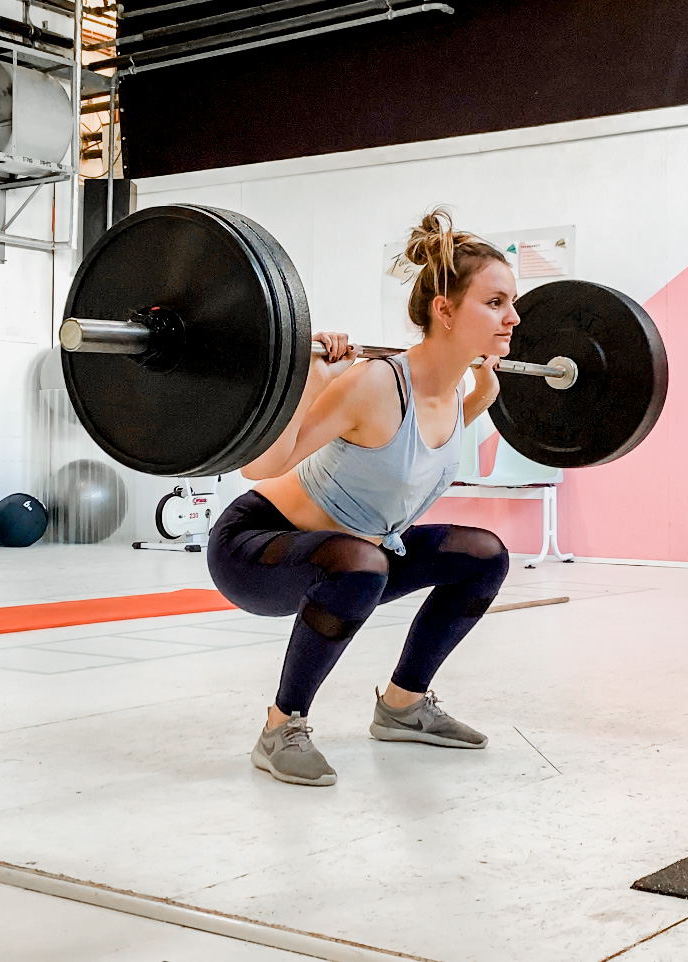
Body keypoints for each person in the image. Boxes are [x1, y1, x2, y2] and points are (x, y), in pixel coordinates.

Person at [206, 207, 517, 786]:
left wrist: (484, 393)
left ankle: (403, 705)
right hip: (257, 547)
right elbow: (259, 464)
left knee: (484, 555)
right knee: (362, 561)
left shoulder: (455, 395)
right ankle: (281, 727)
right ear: (444, 311)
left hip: (356, 556)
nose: (513, 318)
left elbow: (422, 457)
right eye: (495, 303)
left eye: (510, 304)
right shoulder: (374, 384)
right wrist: (310, 378)